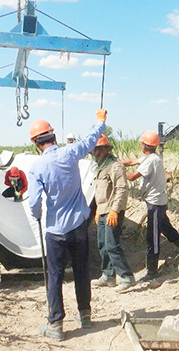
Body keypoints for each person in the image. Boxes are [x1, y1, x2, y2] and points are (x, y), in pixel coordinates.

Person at [27, 108, 107, 341]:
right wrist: (101, 121)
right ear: (53, 136)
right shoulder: (71, 153)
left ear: (35, 142)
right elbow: (91, 139)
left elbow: (33, 202)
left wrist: (38, 214)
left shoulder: (37, 168)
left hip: (55, 231)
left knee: (55, 276)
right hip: (79, 226)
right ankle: (85, 315)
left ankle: (56, 325)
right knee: (82, 270)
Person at [121, 131, 179, 282]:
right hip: (157, 202)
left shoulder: (151, 161)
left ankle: (152, 271)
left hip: (155, 204)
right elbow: (133, 161)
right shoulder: (152, 157)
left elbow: (132, 176)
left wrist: (117, 170)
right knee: (166, 228)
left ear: (144, 145)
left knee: (153, 237)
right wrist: (118, 162)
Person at [90, 134, 135, 293]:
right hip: (103, 211)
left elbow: (121, 189)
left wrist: (115, 210)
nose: (96, 154)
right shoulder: (100, 168)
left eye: (99, 150)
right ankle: (108, 275)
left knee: (112, 245)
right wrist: (97, 211)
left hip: (112, 211)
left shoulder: (115, 166)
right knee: (102, 244)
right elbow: (100, 192)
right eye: (94, 151)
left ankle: (126, 277)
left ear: (106, 150)